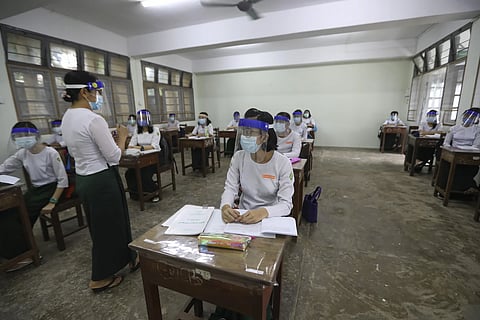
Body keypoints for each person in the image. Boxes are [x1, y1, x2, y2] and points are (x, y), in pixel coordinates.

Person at [61, 70, 138, 293]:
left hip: (84, 177)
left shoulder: (68, 117)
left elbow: (85, 149)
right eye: (96, 91)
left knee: (105, 225)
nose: (98, 96)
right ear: (84, 92)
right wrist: (122, 137)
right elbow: (115, 156)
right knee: (110, 228)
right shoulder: (94, 119)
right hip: (102, 180)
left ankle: (129, 257)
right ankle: (100, 277)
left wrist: (111, 143)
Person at [0, 122, 68, 271]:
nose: (22, 139)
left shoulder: (50, 153)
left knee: (20, 213)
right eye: (17, 137)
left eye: (25, 135)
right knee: (10, 212)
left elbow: (63, 180)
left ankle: (25, 254)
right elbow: (4, 168)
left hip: (52, 189)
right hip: (36, 190)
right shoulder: (22, 153)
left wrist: (52, 202)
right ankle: (20, 249)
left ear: (36, 135)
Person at [221, 111, 294, 224]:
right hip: (242, 215)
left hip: (270, 217)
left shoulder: (282, 163)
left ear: (264, 137)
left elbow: (286, 204)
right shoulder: (239, 157)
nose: (245, 136)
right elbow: (230, 188)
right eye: (244, 132)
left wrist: (263, 212)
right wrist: (225, 206)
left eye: (250, 132)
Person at [437, 108, 480, 193]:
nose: (468, 118)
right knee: (449, 166)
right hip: (453, 153)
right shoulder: (454, 128)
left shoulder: (477, 130)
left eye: (472, 117)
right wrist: (452, 149)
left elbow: (476, 146)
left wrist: (466, 150)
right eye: (467, 115)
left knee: (471, 168)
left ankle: (465, 189)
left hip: (468, 155)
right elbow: (446, 143)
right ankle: (446, 190)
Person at [125, 109, 161, 203]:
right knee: (129, 174)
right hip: (140, 157)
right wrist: (140, 148)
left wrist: (139, 147)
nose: (142, 120)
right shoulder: (137, 130)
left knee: (144, 174)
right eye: (140, 118)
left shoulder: (155, 130)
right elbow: (130, 145)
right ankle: (136, 194)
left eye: (144, 118)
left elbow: (154, 146)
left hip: (153, 158)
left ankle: (153, 193)